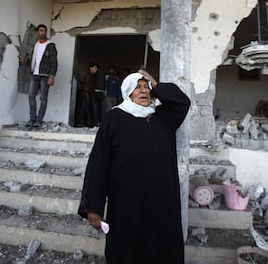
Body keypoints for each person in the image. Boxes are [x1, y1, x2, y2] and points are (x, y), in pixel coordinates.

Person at [78, 70, 190, 264]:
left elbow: (182, 101)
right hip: (126, 203)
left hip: (162, 204)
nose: (143, 90)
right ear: (128, 91)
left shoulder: (164, 117)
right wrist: (93, 207)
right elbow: (99, 163)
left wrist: (156, 84)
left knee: (162, 249)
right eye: (138, 87)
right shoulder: (115, 118)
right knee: (127, 250)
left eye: (146, 87)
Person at [21, 24, 58, 128]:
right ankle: (32, 118)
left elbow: (54, 62)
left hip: (45, 75)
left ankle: (39, 120)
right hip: (34, 74)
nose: (43, 33)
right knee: (31, 96)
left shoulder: (50, 45)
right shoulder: (36, 45)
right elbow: (34, 61)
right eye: (41, 31)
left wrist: (52, 76)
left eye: (44, 31)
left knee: (43, 98)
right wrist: (25, 60)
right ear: (37, 32)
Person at [77, 63, 98, 127]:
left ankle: (88, 122)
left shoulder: (92, 75)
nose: (96, 69)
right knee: (84, 109)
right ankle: (80, 122)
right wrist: (87, 96)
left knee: (88, 109)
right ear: (90, 68)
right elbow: (85, 86)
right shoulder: (88, 75)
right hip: (87, 95)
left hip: (90, 95)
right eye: (95, 68)